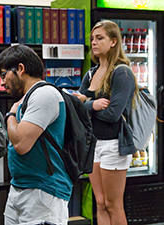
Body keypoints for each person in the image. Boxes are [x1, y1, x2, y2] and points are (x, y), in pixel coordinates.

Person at [0, 44, 72, 225]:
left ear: (20, 69)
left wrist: (10, 116)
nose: (2, 82)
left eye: (3, 74)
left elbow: (21, 144)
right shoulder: (29, 98)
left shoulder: (44, 94)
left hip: (43, 192)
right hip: (21, 187)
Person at [75, 20, 138, 225]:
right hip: (94, 144)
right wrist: (92, 105)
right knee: (100, 203)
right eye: (92, 38)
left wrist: (86, 104)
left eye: (99, 38)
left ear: (113, 41)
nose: (94, 42)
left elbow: (113, 115)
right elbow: (78, 109)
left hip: (113, 145)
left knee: (113, 205)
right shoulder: (91, 74)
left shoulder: (121, 72)